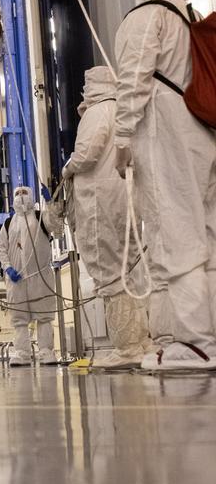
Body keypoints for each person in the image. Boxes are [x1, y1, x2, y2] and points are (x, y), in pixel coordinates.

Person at [114, 0, 216, 372]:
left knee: (175, 233)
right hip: (201, 135)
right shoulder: (188, 17)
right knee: (206, 237)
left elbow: (134, 78)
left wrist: (123, 135)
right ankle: (203, 337)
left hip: (165, 132)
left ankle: (195, 344)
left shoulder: (147, 17)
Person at [62, 66, 150, 368]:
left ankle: (127, 347)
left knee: (110, 272)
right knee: (129, 272)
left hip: (100, 204)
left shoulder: (97, 112)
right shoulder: (122, 112)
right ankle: (142, 341)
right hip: (125, 200)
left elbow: (86, 154)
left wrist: (68, 167)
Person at [0, 186, 59, 366]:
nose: (21, 196)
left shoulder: (40, 217)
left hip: (40, 276)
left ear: (32, 196)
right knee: (19, 318)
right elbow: (1, 248)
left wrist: (50, 203)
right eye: (17, 193)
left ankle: (47, 351)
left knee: (44, 316)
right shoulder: (9, 223)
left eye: (24, 193)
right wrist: (8, 268)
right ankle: (22, 353)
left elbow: (54, 224)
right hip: (17, 280)